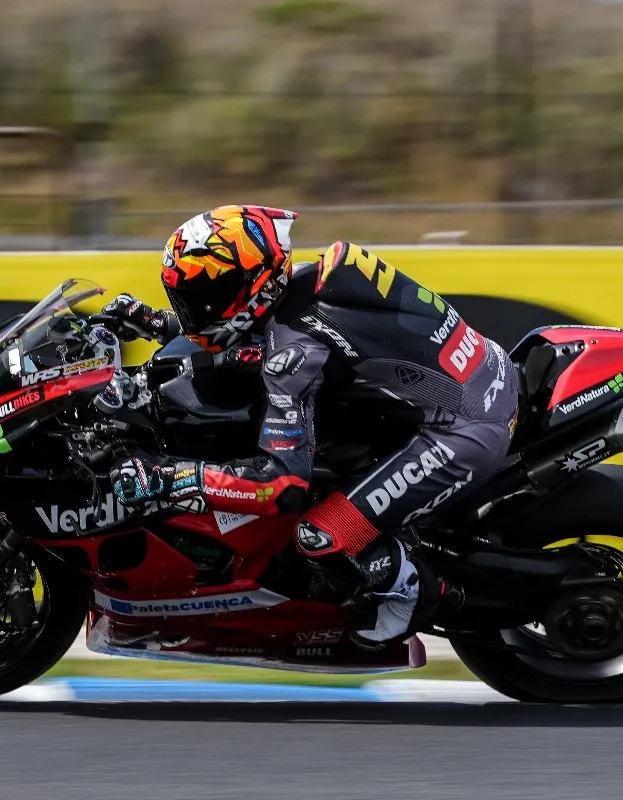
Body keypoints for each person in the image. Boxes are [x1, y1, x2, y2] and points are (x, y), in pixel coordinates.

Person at [102, 205, 519, 648]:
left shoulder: (294, 353)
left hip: (465, 431)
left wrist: (171, 478)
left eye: (204, 298)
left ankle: (411, 593)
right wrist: (161, 324)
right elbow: (249, 340)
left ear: (253, 282)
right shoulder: (304, 285)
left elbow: (281, 485)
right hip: (484, 375)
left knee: (317, 533)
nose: (196, 310)